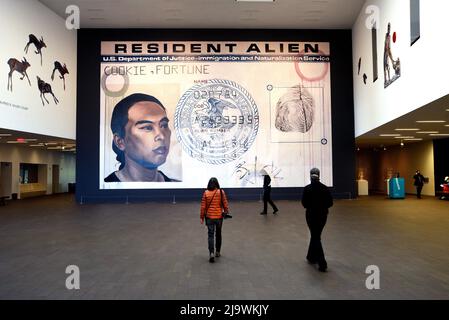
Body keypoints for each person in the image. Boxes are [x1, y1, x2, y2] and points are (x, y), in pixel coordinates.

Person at [104, 93, 178, 182]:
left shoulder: (178, 187)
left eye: (164, 125)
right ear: (120, 142)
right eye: (147, 127)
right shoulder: (107, 186)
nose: (161, 136)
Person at [301, 168, 333, 272]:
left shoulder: (307, 188)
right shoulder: (325, 188)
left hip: (311, 216)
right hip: (322, 216)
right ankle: (311, 257)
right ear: (319, 175)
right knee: (316, 235)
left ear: (310, 176)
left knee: (315, 236)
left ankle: (322, 263)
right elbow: (330, 203)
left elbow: (304, 204)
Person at [200, 177, 229, 263]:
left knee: (210, 235)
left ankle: (211, 253)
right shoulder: (221, 192)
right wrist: (226, 211)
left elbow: (203, 207)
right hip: (219, 217)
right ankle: (218, 252)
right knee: (218, 234)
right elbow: (225, 203)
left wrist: (201, 217)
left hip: (209, 217)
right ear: (217, 183)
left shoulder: (206, 193)